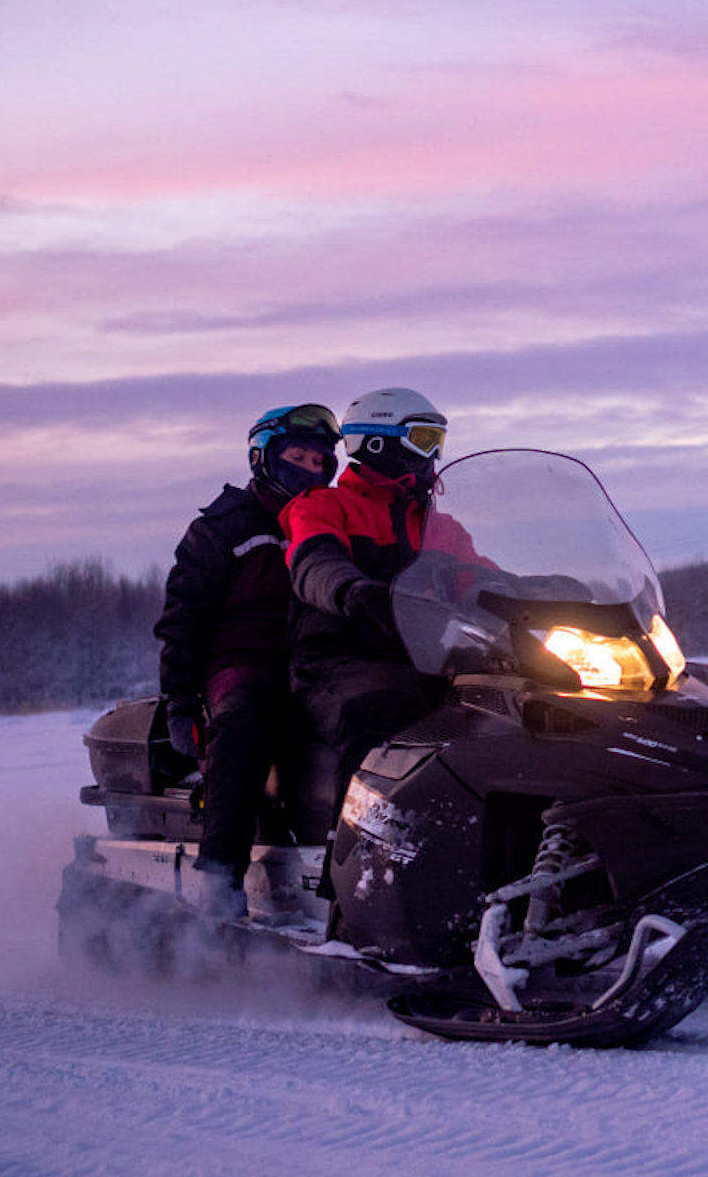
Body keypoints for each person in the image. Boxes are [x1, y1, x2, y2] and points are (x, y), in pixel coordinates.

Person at [154, 402, 341, 917]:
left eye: (319, 461)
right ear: (263, 457)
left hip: (319, 661)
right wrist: (180, 698)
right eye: (297, 457)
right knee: (246, 723)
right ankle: (219, 882)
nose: (309, 469)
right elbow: (183, 617)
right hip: (243, 662)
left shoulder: (333, 519)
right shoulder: (222, 527)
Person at [283, 387, 477, 803]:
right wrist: (353, 590)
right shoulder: (323, 506)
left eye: (438, 442)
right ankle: (354, 857)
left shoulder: (439, 525)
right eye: (424, 439)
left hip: (422, 655)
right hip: (341, 658)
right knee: (384, 708)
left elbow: (479, 577)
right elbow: (314, 563)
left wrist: (541, 589)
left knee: (495, 710)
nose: (434, 455)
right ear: (377, 441)